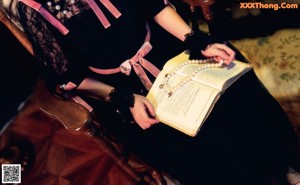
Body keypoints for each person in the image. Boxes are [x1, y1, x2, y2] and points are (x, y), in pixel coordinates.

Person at [14, 0, 299, 184]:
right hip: (121, 90)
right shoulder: (32, 10)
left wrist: (196, 40)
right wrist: (122, 99)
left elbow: (154, 7)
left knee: (236, 90)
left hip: (166, 52)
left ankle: (282, 166)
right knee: (194, 139)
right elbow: (69, 76)